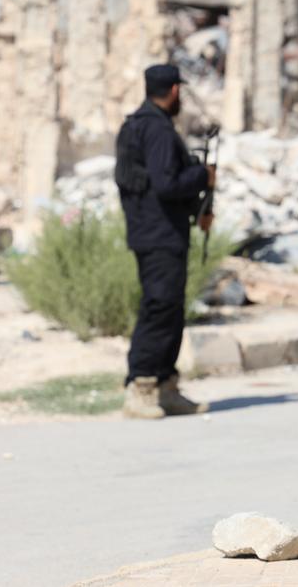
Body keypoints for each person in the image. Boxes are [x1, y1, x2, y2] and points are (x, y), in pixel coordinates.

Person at [114, 64, 214, 419]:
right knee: (159, 307)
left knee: (170, 308)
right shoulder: (156, 129)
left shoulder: (142, 124)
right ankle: (140, 387)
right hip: (159, 235)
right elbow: (166, 183)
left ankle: (165, 386)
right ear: (173, 91)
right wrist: (203, 174)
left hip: (158, 232)